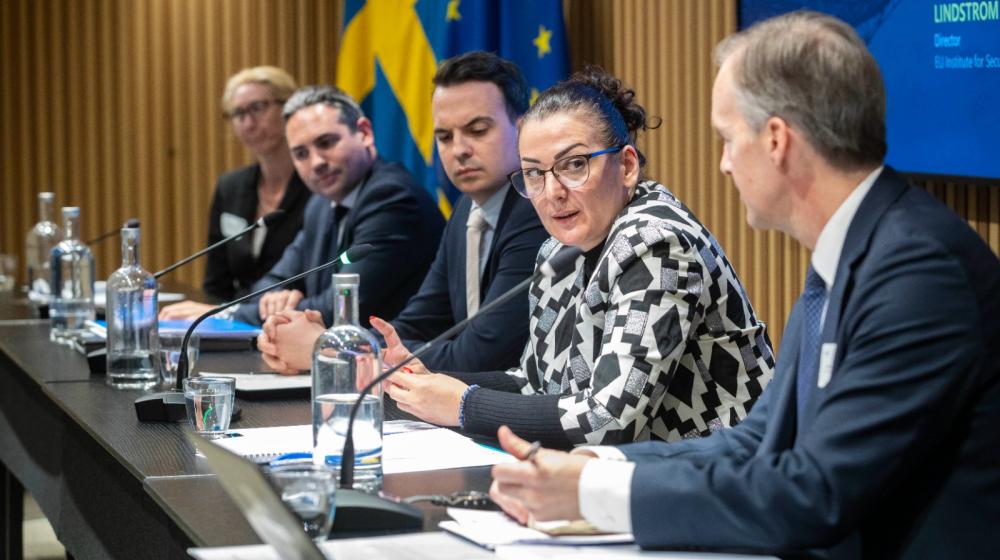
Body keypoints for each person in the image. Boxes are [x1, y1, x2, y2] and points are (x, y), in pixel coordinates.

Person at [489, 11, 1000, 559]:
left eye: (728, 139)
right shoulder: (854, 249)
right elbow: (760, 439)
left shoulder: (917, 273)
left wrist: (595, 493)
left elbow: (813, 492)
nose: (725, 164)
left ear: (776, 139)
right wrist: (597, 466)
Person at [372, 67, 774, 449]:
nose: (552, 192)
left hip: (722, 478)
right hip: (629, 480)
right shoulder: (558, 251)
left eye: (574, 165)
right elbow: (535, 385)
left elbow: (609, 419)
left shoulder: (657, 243)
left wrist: (463, 404)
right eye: (534, 173)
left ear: (628, 166)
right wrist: (428, 384)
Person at [256, 51, 549, 373]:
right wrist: (343, 345)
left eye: (478, 130)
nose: (459, 150)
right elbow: (415, 325)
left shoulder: (536, 209)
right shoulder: (467, 209)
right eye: (444, 137)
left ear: (523, 130)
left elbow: (478, 356)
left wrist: (328, 350)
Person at [165, 85, 443, 326]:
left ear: (364, 132)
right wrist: (273, 299)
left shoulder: (392, 198)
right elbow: (277, 278)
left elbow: (339, 307)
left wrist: (225, 315)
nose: (317, 162)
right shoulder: (321, 204)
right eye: (301, 153)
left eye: (326, 142)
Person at [160, 66, 311, 315]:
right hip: (236, 324)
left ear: (289, 108)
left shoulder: (316, 184)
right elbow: (216, 282)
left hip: (297, 317)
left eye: (258, 108)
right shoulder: (230, 188)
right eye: (239, 113)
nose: (248, 122)